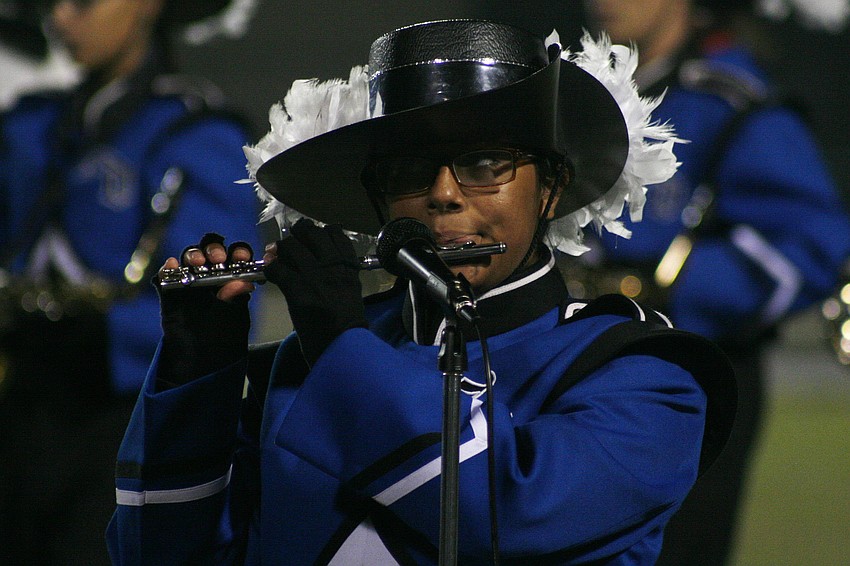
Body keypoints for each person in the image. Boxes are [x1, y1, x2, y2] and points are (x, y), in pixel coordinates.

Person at [107, 19, 737, 564]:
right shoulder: (300, 370)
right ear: (380, 202)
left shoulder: (647, 377)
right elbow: (153, 555)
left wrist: (341, 344)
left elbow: (502, 519)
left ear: (549, 188)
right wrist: (199, 375)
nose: (443, 193)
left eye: (486, 165)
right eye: (411, 172)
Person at [580, 1, 850, 564]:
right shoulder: (576, 93)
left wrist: (669, 289)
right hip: (581, 358)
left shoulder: (728, 97)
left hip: (698, 371)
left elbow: (814, 242)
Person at [0, 1, 262, 564]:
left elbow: (221, 305)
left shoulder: (195, 133)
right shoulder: (29, 128)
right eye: (52, 4)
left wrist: (101, 331)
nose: (61, 21)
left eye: (83, 2)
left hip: (116, 429)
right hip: (18, 417)